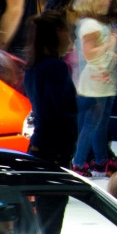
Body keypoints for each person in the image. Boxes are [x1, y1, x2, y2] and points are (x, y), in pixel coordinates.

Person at [68, 0, 117, 178]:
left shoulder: (98, 23)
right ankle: (79, 162)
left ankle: (101, 160)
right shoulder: (89, 25)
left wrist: (111, 52)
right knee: (92, 124)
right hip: (94, 84)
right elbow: (89, 54)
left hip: (104, 81)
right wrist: (109, 45)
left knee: (101, 124)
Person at [23, 10, 76, 171]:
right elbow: (57, 112)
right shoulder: (56, 67)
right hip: (55, 147)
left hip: (40, 143)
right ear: (58, 33)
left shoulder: (32, 67)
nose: (70, 39)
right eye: (67, 32)